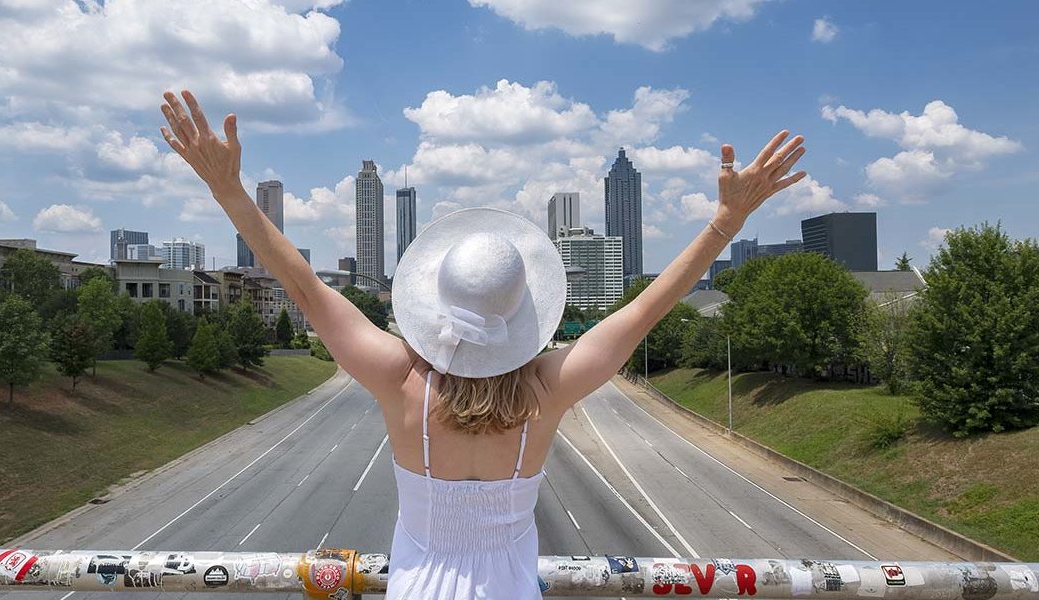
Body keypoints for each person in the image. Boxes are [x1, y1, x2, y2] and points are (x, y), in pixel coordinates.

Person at [158, 90, 807, 599]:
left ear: (432, 298)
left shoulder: (401, 379)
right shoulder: (545, 392)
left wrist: (228, 190)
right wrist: (726, 222)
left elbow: (301, 287)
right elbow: (643, 313)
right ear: (526, 313)